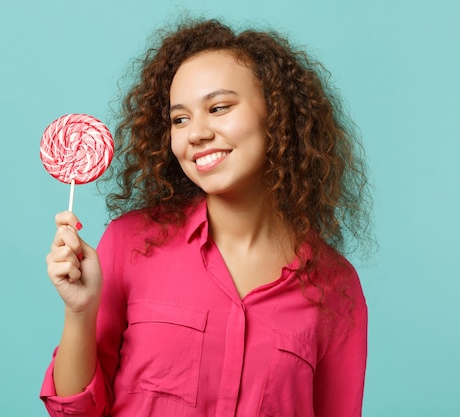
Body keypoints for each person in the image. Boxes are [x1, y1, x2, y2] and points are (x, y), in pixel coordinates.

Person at [40, 18, 372, 417]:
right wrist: (80, 311)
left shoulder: (336, 287)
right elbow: (76, 411)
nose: (196, 133)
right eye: (180, 119)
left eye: (218, 108)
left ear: (278, 115)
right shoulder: (129, 243)